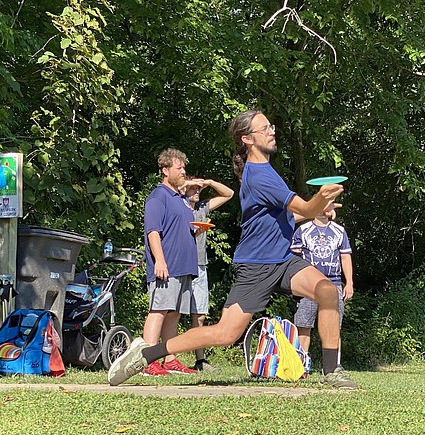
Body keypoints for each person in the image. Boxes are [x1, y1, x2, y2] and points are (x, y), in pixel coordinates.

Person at [109, 110, 359, 389]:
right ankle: (147, 353)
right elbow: (304, 208)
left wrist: (317, 208)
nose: (271, 131)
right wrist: (319, 199)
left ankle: (331, 371)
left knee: (326, 290)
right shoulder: (260, 176)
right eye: (264, 128)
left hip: (283, 260)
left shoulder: (267, 171)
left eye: (271, 126)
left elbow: (288, 217)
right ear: (247, 139)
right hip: (256, 266)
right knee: (224, 333)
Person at [139, 148, 200, 377]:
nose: (183, 171)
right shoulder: (158, 196)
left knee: (174, 314)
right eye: (179, 167)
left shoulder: (181, 200)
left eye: (184, 166)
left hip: (184, 267)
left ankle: (170, 359)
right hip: (167, 267)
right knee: (159, 310)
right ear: (165, 170)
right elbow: (153, 231)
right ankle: (147, 359)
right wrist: (160, 261)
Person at [182, 176, 235, 371]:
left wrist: (210, 182)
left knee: (200, 315)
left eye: (199, 189)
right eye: (193, 188)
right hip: (180, 265)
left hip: (200, 265)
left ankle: (200, 360)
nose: (197, 191)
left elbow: (229, 194)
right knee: (173, 313)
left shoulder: (202, 208)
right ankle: (167, 358)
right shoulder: (177, 205)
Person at [291, 205, 353, 358]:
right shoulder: (303, 229)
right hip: (308, 284)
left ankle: (334, 366)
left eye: (330, 205)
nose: (329, 208)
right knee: (303, 324)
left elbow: (345, 257)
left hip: (334, 283)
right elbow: (294, 257)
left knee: (334, 327)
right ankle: (301, 364)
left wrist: (349, 282)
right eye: (324, 204)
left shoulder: (339, 230)